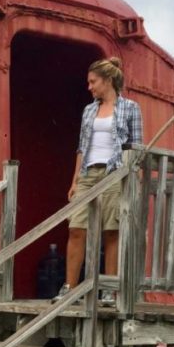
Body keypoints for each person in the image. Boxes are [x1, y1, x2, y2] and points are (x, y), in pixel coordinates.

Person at [55, 57, 143, 306]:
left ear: (108, 80)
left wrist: (133, 180)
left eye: (93, 82)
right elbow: (81, 147)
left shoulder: (130, 108)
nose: (89, 87)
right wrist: (75, 180)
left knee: (111, 231)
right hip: (88, 173)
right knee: (76, 228)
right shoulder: (89, 110)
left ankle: (107, 290)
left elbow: (137, 147)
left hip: (115, 173)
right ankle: (70, 288)